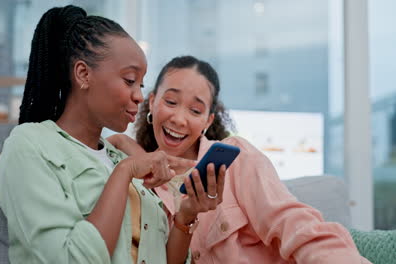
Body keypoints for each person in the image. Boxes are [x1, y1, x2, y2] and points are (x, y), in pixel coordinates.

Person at [0, 7, 225, 264]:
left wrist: (186, 216)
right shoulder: (29, 146)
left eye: (141, 84)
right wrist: (125, 171)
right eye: (129, 80)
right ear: (83, 74)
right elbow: (71, 259)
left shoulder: (117, 155)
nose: (138, 95)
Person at [111, 55, 371, 263]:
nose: (179, 119)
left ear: (207, 121)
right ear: (153, 102)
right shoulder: (143, 181)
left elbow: (293, 223)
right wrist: (131, 147)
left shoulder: (237, 159)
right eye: (170, 101)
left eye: (195, 110)